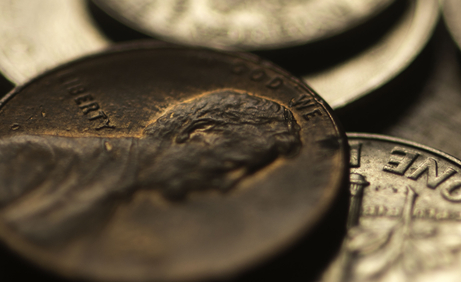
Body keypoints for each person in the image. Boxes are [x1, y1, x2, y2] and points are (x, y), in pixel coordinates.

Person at [0, 90, 301, 248]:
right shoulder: (31, 155)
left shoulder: (118, 198)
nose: (229, 184)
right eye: (231, 165)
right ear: (195, 134)